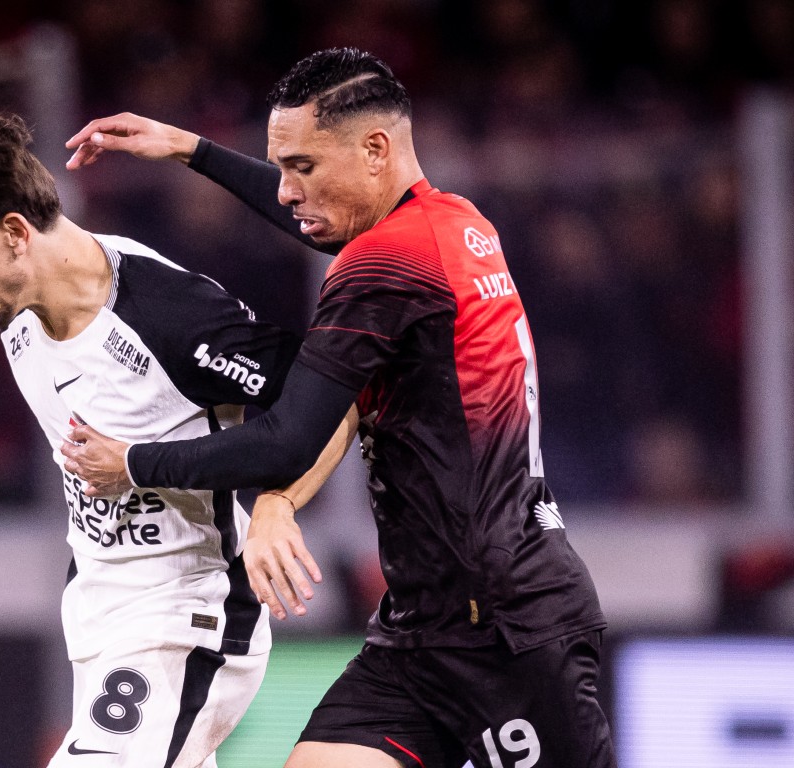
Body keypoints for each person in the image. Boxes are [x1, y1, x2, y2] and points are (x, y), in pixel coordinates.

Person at [61, 48, 617, 768]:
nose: (289, 193)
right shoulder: (455, 223)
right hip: (420, 629)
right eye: (283, 168)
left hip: (507, 628)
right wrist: (191, 149)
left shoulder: (382, 267)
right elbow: (318, 222)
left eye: (304, 168)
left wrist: (131, 462)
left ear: (375, 150)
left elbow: (286, 441)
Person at [0, 108, 355, 768]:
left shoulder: (171, 317)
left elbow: (335, 398)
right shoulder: (21, 291)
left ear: (16, 233)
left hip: (187, 616)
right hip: (100, 616)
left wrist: (279, 504)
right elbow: (11, 299)